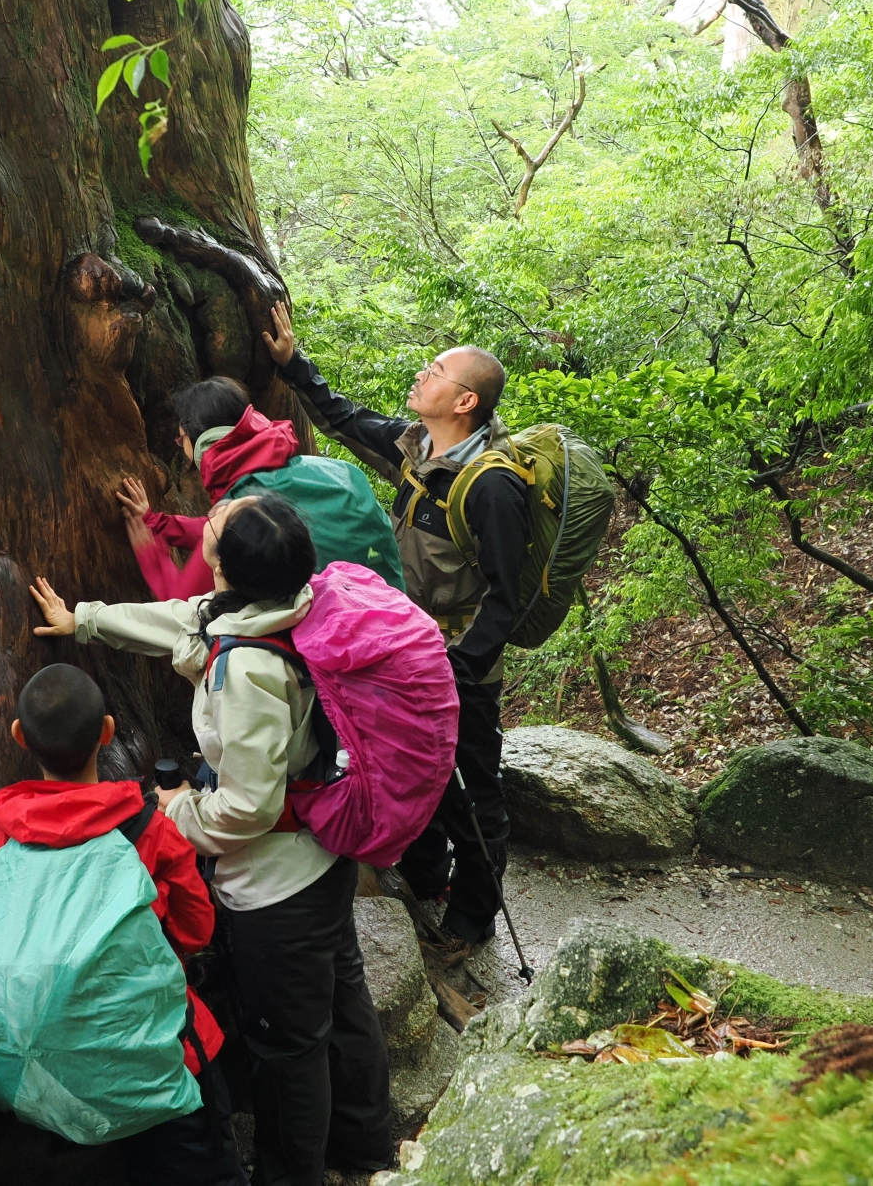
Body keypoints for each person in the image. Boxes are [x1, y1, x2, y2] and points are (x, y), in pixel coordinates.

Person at [30, 494, 393, 1186]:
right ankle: (368, 1142)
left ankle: (293, 1176)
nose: (217, 510)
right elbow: (179, 619)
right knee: (342, 997)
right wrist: (84, 621)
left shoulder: (248, 673)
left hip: (278, 889)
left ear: (222, 564)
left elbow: (247, 809)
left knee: (288, 1047)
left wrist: (175, 813)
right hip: (323, 855)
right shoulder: (283, 606)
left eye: (222, 522)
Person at [260, 304, 528, 951]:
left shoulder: (491, 487)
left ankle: (472, 917)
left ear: (465, 400)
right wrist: (292, 363)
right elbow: (346, 420)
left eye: (435, 371)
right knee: (409, 769)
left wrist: (467, 662)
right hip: (404, 654)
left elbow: (510, 594)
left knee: (471, 790)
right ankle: (425, 874)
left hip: (458, 663)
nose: (421, 374)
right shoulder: (417, 448)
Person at [0, 664, 247, 1185]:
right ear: (107, 732)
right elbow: (196, 931)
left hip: (70, 1072)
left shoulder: (3, 839)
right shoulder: (150, 830)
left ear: (19, 737)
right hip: (160, 1053)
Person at [117, 375, 404, 600]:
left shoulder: (239, 508)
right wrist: (159, 523)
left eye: (181, 440)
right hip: (399, 621)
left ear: (200, 443)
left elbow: (182, 600)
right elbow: (245, 527)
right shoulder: (341, 472)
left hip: (324, 659)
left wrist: (148, 545)